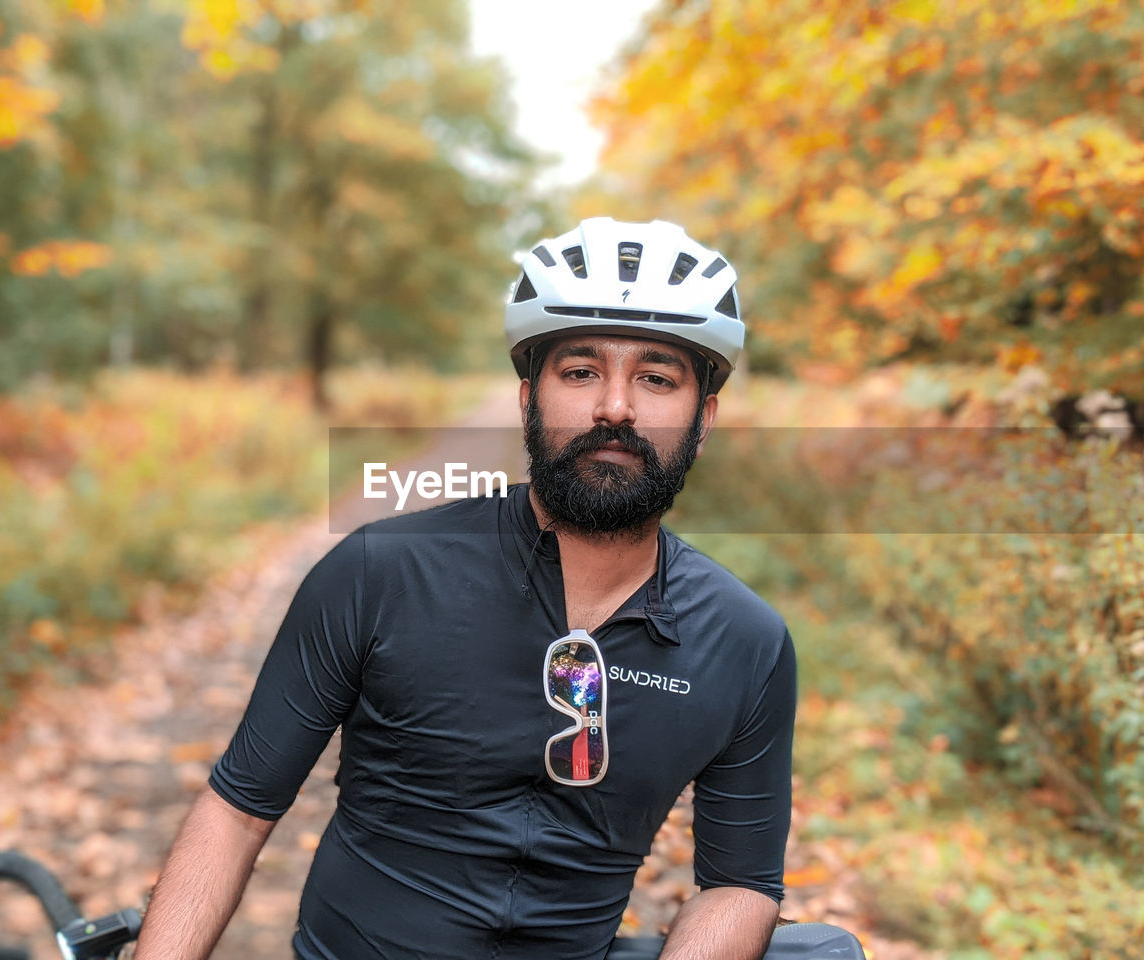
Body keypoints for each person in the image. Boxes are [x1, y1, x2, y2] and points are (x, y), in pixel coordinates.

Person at [134, 217, 796, 960]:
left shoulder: (746, 642)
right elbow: (238, 811)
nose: (616, 407)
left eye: (656, 377)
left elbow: (739, 884)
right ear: (527, 401)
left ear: (704, 419)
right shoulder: (379, 572)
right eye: (581, 372)